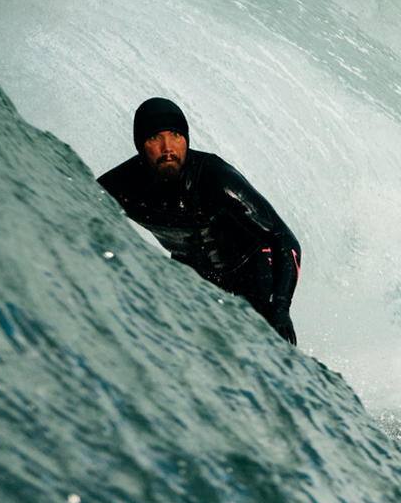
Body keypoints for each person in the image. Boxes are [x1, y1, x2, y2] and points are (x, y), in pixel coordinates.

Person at [98, 97, 301, 344]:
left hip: (250, 268)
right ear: (140, 144)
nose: (168, 148)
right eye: (155, 138)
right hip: (193, 274)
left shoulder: (215, 178)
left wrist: (280, 308)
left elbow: (282, 236)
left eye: (175, 135)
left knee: (259, 342)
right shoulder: (123, 188)